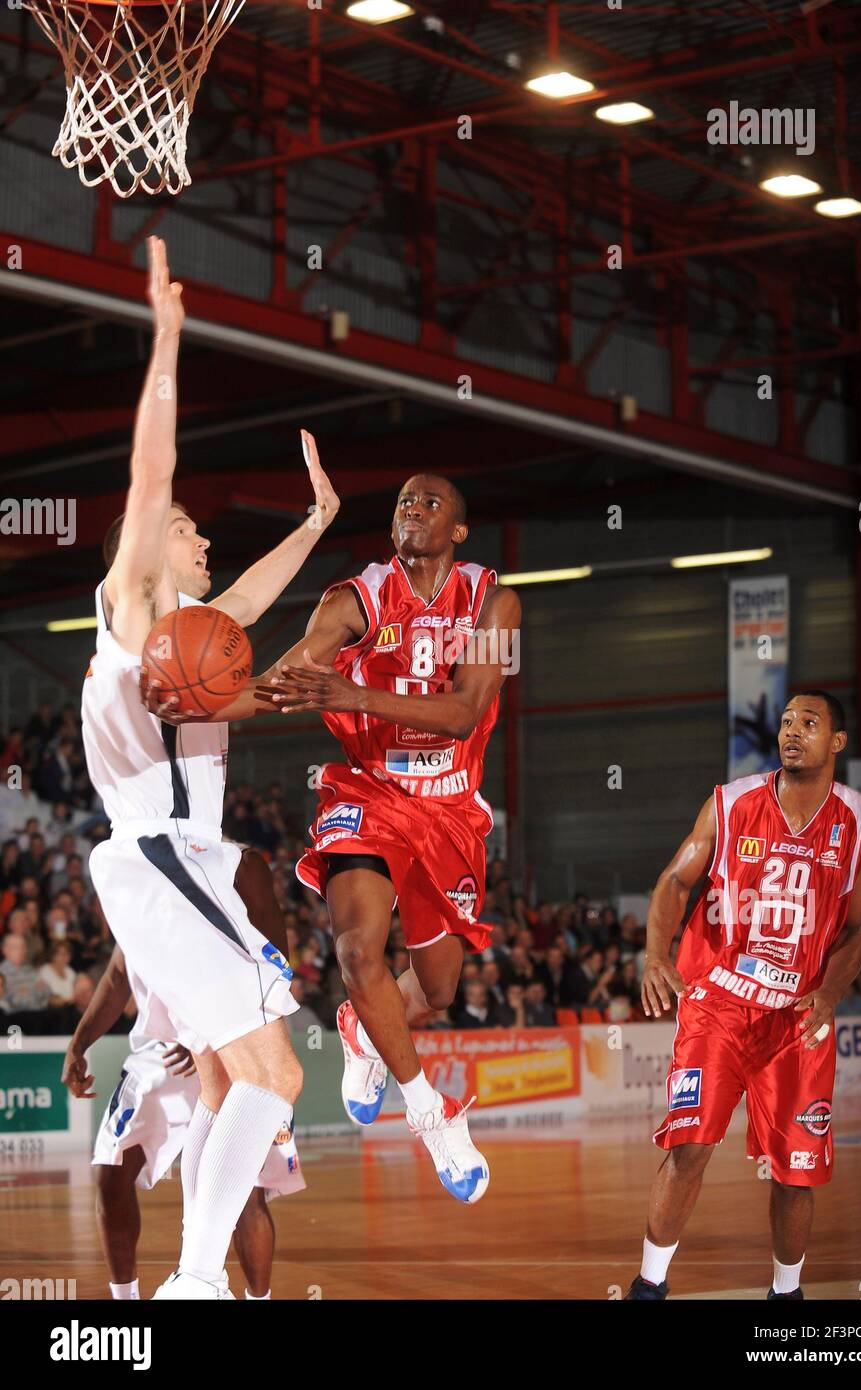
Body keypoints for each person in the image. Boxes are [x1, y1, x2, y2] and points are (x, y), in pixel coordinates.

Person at [79, 237, 338, 1299]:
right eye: (185, 531)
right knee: (276, 1072)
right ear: (145, 552)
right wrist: (169, 338)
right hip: (159, 857)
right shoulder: (133, 612)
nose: (199, 539)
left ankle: (200, 1279)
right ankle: (189, 1280)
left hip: (179, 870)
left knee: (240, 1077)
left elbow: (252, 610)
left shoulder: (197, 630)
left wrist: (318, 521)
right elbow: (152, 472)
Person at [148, 473, 520, 1205]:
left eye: (431, 503)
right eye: (403, 502)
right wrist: (197, 703)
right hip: (370, 794)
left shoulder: (494, 601)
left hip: (449, 811)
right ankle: (429, 1113)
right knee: (356, 951)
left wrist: (354, 694)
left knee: (439, 989)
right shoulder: (354, 599)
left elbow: (467, 709)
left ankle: (360, 1029)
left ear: (458, 531)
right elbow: (285, 678)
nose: (413, 510)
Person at [626, 692, 861, 1302]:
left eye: (809, 723)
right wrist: (655, 955)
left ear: (837, 743)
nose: (792, 731)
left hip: (797, 1016)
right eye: (786, 721)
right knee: (692, 1144)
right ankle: (649, 1286)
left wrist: (832, 990)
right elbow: (675, 880)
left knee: (795, 1174)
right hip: (720, 1002)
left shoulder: (860, 821)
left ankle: (786, 1295)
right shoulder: (732, 803)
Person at [62, 851, 305, 1301]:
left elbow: (276, 966)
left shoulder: (242, 863)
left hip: (233, 1037)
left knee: (247, 1194)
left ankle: (249, 1295)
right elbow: (120, 973)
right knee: (111, 1172)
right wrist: (79, 1042)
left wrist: (210, 1029)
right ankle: (135, 1298)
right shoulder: (141, 863)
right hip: (163, 1048)